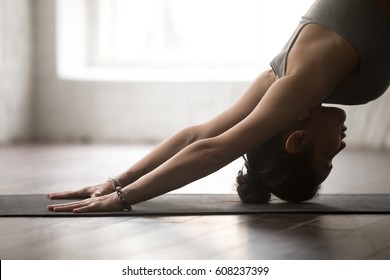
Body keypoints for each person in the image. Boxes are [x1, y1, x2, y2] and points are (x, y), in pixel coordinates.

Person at [48, 0, 390, 212]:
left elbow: (207, 145)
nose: (341, 146)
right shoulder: (282, 79)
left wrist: (120, 191)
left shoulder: (294, 85)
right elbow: (197, 138)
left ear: (296, 141)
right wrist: (119, 183)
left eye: (329, 156)